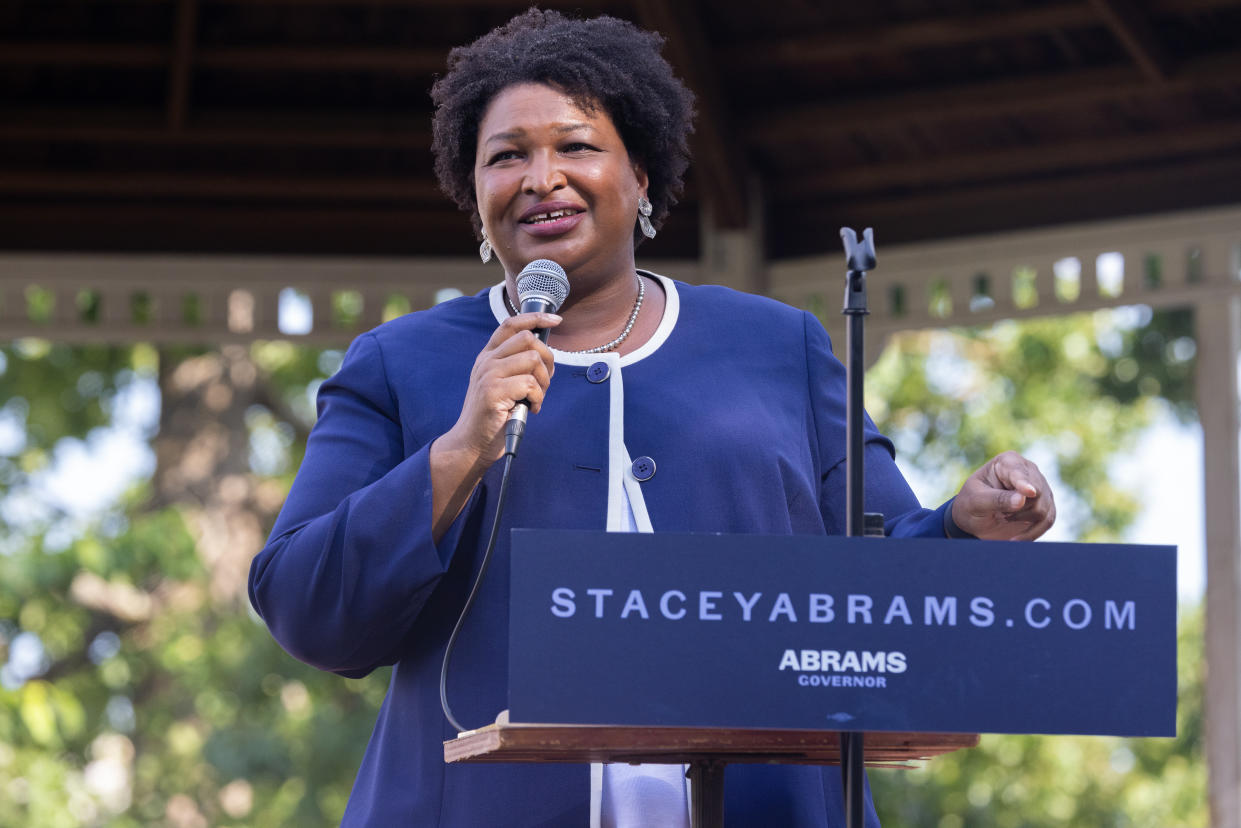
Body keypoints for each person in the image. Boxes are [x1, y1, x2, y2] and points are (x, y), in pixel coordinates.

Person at [248, 9, 1055, 827]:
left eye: (576, 146)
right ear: (474, 198)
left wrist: (962, 526)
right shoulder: (399, 362)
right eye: (506, 156)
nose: (540, 177)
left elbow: (875, 576)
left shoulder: (777, 347)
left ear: (640, 178)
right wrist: (458, 451)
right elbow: (305, 609)